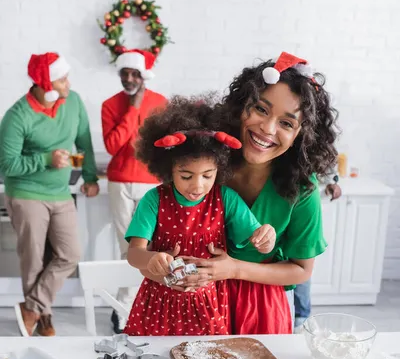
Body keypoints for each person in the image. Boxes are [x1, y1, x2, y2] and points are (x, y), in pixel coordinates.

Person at [171, 52, 339, 334]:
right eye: (261, 109)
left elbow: (301, 269)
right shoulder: (203, 159)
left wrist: (234, 269)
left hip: (259, 310)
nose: (267, 128)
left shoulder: (301, 187)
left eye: (286, 123)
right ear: (241, 106)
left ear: (302, 135)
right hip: (193, 300)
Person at [123, 98, 277, 336]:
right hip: (158, 305)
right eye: (186, 176)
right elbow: (134, 254)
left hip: (209, 305)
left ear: (220, 169)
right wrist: (151, 259)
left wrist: (267, 237)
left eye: (208, 175)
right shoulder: (154, 200)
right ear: (168, 169)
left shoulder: (225, 198)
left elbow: (261, 244)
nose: (197, 185)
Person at [0, 52, 99, 337]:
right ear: (46, 84)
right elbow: (6, 164)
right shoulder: (17, 116)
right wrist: (45, 160)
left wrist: (90, 176)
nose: (68, 83)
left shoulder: (73, 102)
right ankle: (43, 316)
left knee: (70, 254)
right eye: (62, 78)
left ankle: (32, 307)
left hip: (60, 192)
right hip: (27, 193)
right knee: (33, 260)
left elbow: (84, 143)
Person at [101, 49, 167, 334]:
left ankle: (130, 307)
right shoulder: (110, 105)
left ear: (143, 75)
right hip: (120, 183)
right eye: (124, 73)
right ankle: (123, 310)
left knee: (147, 249)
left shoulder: (161, 103)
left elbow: (164, 145)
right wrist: (133, 109)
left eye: (134, 73)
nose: (128, 78)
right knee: (126, 249)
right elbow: (113, 146)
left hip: (152, 183)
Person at [293, 175, 342, 332]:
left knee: (300, 269)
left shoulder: (309, 184)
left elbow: (327, 173)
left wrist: (331, 184)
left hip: (304, 204)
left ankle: (301, 320)